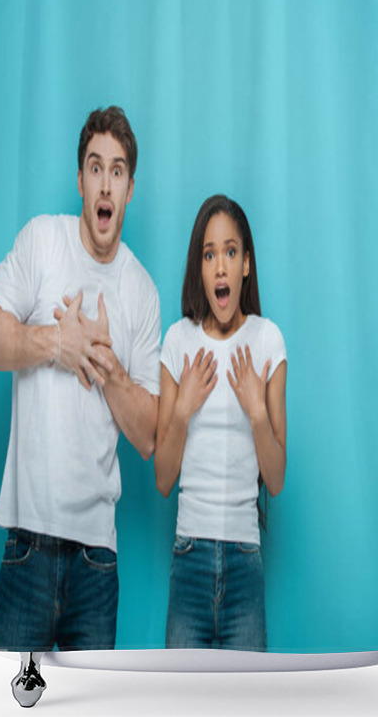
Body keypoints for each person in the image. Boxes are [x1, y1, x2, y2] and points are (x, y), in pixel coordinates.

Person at [0, 106, 161, 651]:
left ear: (129, 190)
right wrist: (57, 344)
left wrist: (106, 364)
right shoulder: (41, 242)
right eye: (95, 167)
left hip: (97, 564)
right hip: (28, 546)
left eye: (118, 170)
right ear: (80, 179)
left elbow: (149, 436)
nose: (106, 183)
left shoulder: (141, 292)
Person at [155, 194, 287, 651]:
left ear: (246, 264)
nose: (221, 267)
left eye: (231, 252)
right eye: (209, 254)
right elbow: (162, 480)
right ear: (200, 268)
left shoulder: (268, 341)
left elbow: (276, 478)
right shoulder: (177, 340)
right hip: (189, 556)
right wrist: (180, 410)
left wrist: (256, 412)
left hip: (245, 560)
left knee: (246, 701)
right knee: (182, 701)